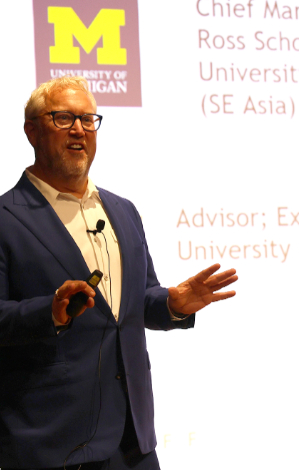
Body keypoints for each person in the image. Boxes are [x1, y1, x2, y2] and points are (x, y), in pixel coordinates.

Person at [0, 77, 237, 470]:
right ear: (32, 131)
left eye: (88, 120)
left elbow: (135, 302)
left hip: (133, 444)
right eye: (62, 118)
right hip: (52, 443)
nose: (78, 129)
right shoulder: (7, 218)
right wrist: (50, 313)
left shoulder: (122, 210)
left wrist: (172, 304)